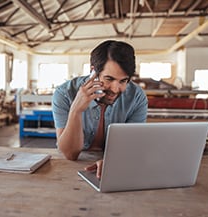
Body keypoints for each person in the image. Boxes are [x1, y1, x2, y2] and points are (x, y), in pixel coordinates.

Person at [52, 40, 148, 178]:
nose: (115, 89)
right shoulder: (64, 93)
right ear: (93, 72)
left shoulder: (137, 97)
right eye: (109, 79)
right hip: (71, 169)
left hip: (114, 170)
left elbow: (132, 147)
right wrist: (76, 111)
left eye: (123, 81)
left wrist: (113, 162)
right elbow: (70, 154)